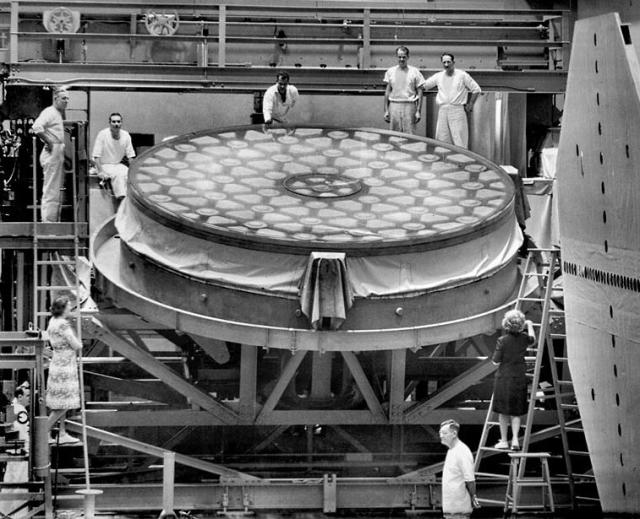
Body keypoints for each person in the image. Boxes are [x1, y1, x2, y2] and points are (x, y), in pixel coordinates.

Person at [491, 309, 536, 450]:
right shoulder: (524, 339)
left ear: (506, 324)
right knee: (516, 411)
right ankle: (515, 440)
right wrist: (529, 325)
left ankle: (504, 441)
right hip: (519, 377)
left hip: (504, 378)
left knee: (503, 412)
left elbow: (495, 361)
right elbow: (533, 340)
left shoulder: (502, 340)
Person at [422, 53, 481, 148]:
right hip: (443, 110)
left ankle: (461, 162)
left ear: (453, 62)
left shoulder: (462, 75)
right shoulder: (439, 76)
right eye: (444, 62)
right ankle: (444, 162)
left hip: (457, 110)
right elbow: (424, 86)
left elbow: (476, 89)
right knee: (442, 139)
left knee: (459, 140)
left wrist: (471, 104)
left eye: (448, 62)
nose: (446, 64)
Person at [45, 296, 82, 444]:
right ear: (62, 308)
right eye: (68, 306)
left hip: (57, 362)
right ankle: (44, 432)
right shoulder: (63, 324)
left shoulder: (52, 321)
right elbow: (76, 345)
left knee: (61, 402)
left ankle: (61, 432)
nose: (70, 308)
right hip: (65, 365)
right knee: (63, 404)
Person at [31, 87, 69, 222]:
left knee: (55, 190)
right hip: (52, 152)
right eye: (64, 98)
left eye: (68, 98)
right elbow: (36, 127)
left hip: (57, 151)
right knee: (51, 190)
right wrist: (50, 141)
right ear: (56, 99)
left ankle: (53, 221)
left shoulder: (58, 113)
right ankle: (48, 222)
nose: (66, 101)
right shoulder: (50, 112)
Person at [92, 112, 136, 206]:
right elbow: (96, 156)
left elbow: (130, 156)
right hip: (103, 164)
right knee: (119, 175)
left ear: (121, 123)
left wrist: (133, 172)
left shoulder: (126, 135)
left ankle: (130, 202)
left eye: (118, 121)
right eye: (114, 121)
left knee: (127, 173)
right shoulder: (103, 134)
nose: (116, 124)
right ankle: (122, 202)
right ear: (110, 123)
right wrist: (100, 171)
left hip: (117, 164)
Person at [439, 419, 481, 518]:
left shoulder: (462, 451)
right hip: (452, 508)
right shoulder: (452, 450)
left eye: (444, 433)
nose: (441, 436)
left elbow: (470, 479)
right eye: (440, 433)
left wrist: (473, 497)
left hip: (459, 509)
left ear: (454, 434)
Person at [0, 387, 31, 518]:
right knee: (19, 485)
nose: (29, 398)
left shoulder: (14, 408)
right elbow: (23, 434)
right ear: (19, 397)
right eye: (27, 396)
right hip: (20, 452)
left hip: (13, 452)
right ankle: (18, 515)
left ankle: (5, 513)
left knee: (10, 484)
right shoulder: (19, 410)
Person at [383, 46, 425, 134]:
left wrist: (418, 111)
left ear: (408, 57)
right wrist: (386, 110)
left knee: (410, 134)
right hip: (394, 105)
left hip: (409, 106)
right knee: (393, 135)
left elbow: (420, 92)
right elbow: (387, 92)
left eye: (404, 57)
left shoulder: (415, 71)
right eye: (399, 57)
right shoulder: (390, 71)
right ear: (396, 57)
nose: (401, 59)